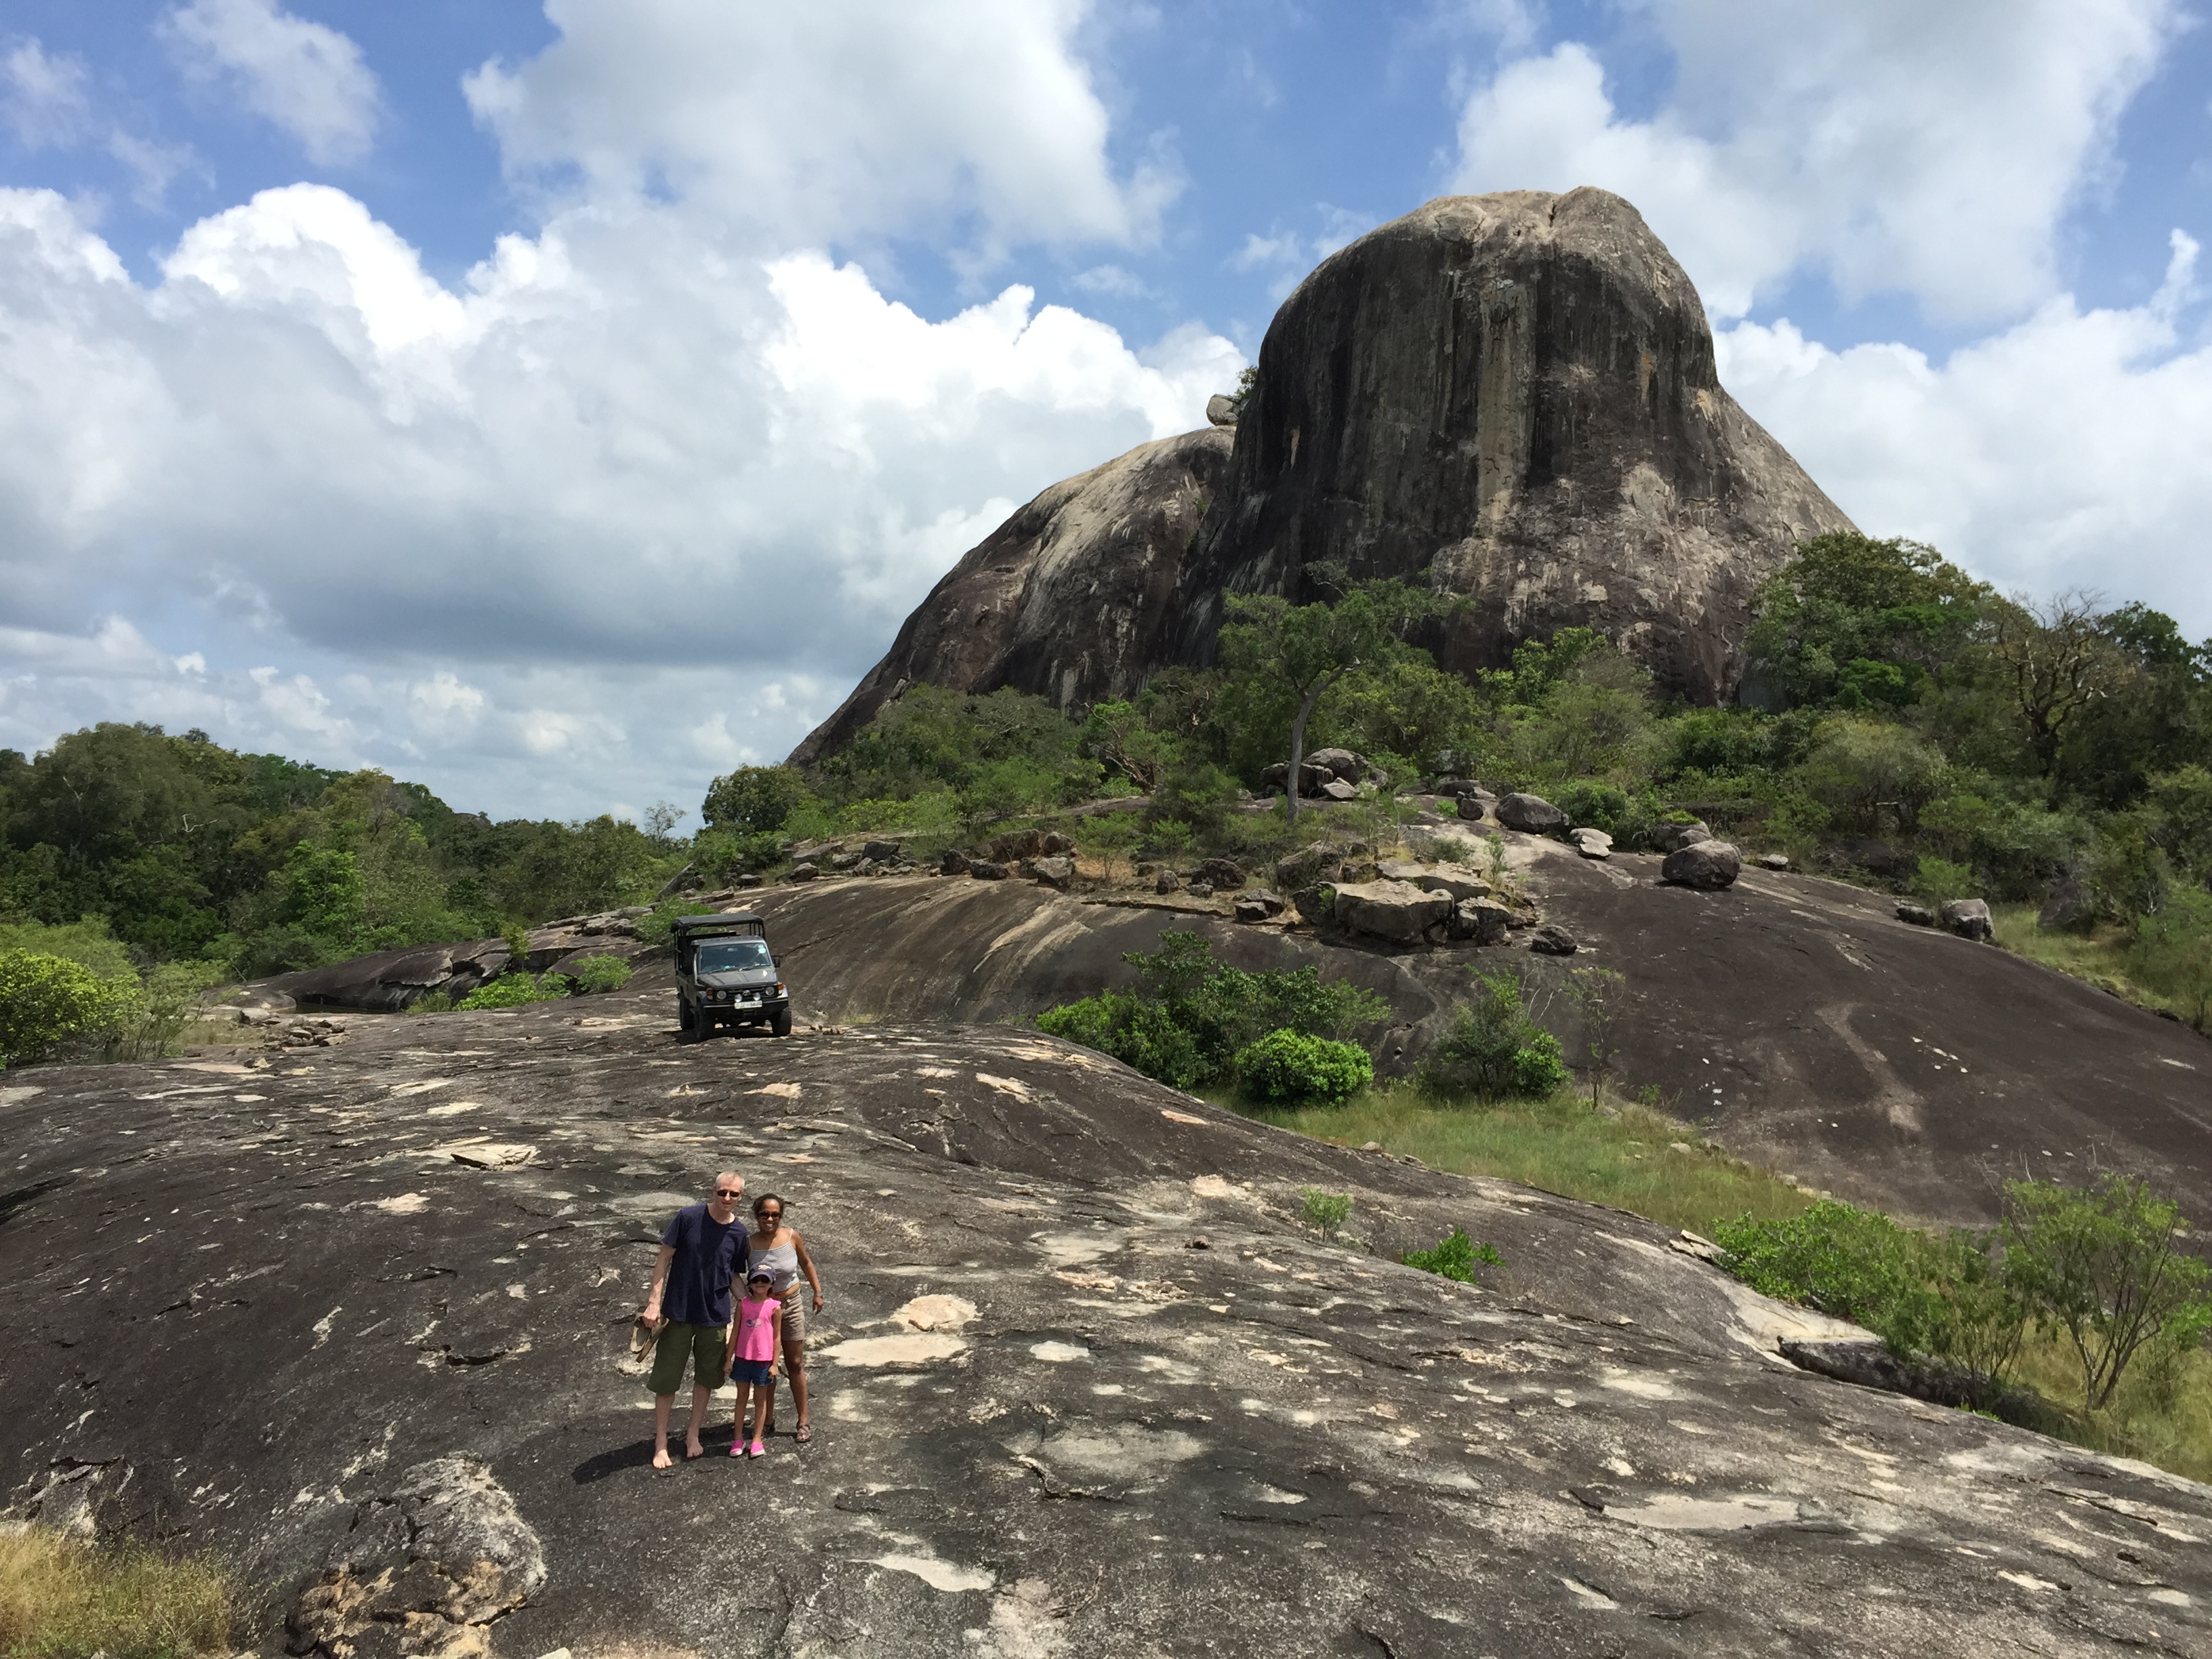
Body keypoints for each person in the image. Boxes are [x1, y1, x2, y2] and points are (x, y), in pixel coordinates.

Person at [641, 1172, 750, 1469]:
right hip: (677, 1311)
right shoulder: (688, 1217)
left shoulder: (739, 1234)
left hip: (713, 1315)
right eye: (722, 1192)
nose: (727, 1199)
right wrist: (654, 1302)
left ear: (741, 1198)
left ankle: (693, 1434)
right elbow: (664, 1257)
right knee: (667, 1379)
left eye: (734, 1195)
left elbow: (733, 1275)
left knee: (706, 1378)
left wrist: (753, 1307)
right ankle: (661, 1443)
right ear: (713, 1191)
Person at [747, 1193, 824, 1443]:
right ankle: (767, 1419)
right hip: (763, 1309)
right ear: (757, 1215)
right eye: (764, 1214)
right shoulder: (749, 1244)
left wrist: (817, 1292)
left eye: (775, 1214)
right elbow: (736, 1273)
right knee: (765, 1364)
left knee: (795, 1363)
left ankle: (803, 1421)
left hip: (791, 1304)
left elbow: (806, 1262)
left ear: (781, 1216)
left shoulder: (792, 1237)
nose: (770, 1219)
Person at [726, 1268, 783, 1459]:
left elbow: (777, 1338)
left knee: (761, 1400)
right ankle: (738, 1438)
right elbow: (734, 1333)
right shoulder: (743, 1305)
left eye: (764, 1280)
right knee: (741, 1397)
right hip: (743, 1358)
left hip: (763, 1361)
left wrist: (775, 1364)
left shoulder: (775, 1307)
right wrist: (729, 1359)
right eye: (756, 1280)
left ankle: (757, 1439)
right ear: (749, 1283)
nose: (760, 1284)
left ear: (771, 1284)